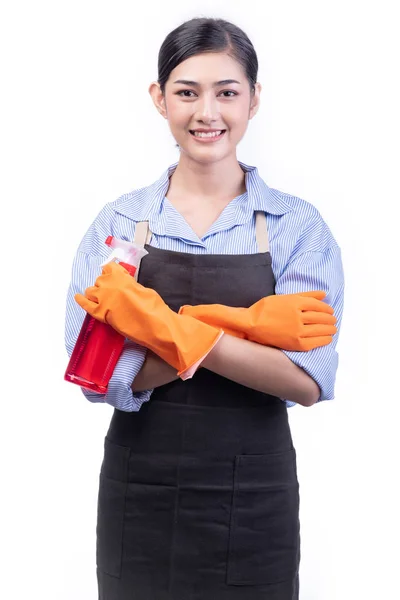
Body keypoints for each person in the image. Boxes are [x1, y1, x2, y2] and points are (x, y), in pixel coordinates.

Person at [65, 16, 344, 600]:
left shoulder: (297, 228)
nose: (207, 112)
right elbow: (100, 376)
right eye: (187, 92)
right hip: (138, 495)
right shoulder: (119, 225)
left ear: (254, 99)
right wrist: (245, 334)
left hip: (255, 500)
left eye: (227, 92)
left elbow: (306, 380)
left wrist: (172, 325)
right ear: (159, 98)